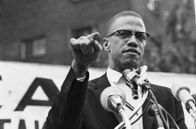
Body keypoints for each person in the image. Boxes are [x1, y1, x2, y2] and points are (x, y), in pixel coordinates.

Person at [43, 11, 188, 129]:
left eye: (140, 36)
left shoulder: (167, 97)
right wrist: (79, 67)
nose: (133, 41)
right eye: (124, 34)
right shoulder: (84, 94)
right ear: (106, 45)